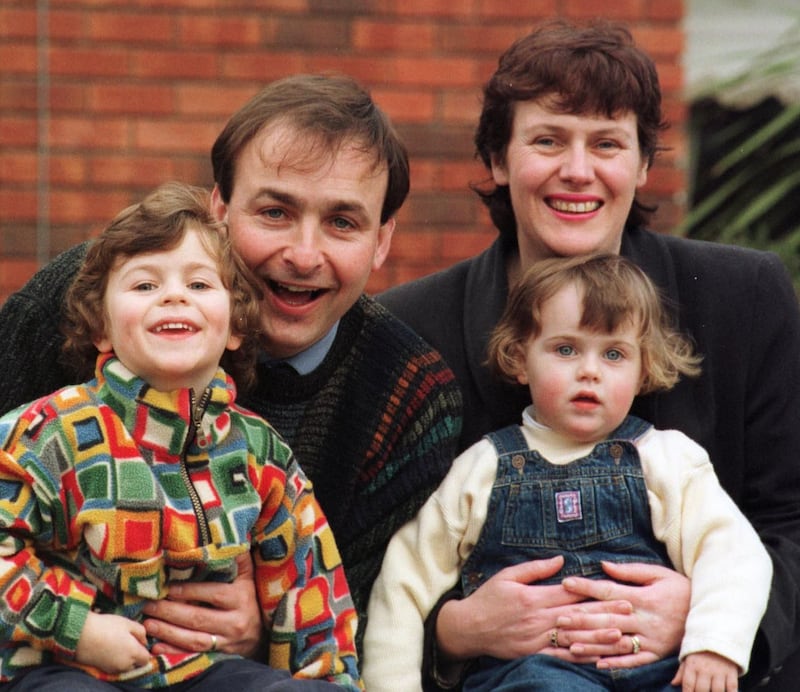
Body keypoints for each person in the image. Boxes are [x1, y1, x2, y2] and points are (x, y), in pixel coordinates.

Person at [376, 19, 800, 691]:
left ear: (642, 164)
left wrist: (708, 622)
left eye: (607, 143)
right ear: (497, 159)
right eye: (548, 140)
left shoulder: (743, 297)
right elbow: (373, 559)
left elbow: (789, 523)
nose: (578, 171)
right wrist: (455, 635)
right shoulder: (406, 327)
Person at [0, 75, 463, 659]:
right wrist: (76, 621)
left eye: (343, 222)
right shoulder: (81, 297)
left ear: (381, 240)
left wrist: (266, 631)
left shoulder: (408, 393)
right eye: (274, 211)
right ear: (218, 208)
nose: (302, 254)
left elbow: (379, 614)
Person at [0, 181, 361, 690]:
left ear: (235, 324)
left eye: (198, 285)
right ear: (101, 326)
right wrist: (76, 628)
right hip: (65, 665)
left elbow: (309, 581)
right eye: (145, 286)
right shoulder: (52, 432)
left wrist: (329, 678)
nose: (173, 295)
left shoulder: (260, 454)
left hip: (201, 668)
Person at [365, 253, 771, 692]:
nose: (589, 372)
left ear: (643, 370)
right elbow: (402, 583)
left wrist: (714, 644)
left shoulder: (667, 460)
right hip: (532, 676)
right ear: (521, 359)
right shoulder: (482, 469)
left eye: (614, 354)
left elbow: (732, 553)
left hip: (656, 669)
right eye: (565, 349)